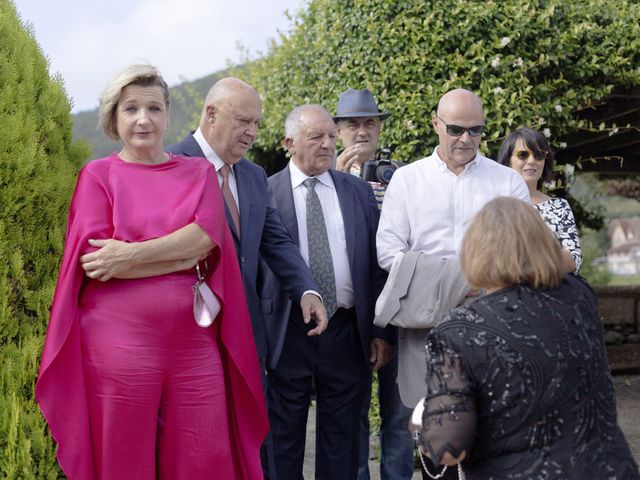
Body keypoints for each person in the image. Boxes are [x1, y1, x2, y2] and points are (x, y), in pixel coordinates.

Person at [35, 64, 267, 479]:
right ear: (113, 118)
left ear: (167, 115)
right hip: (118, 347)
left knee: (205, 451)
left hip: (195, 346)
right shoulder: (98, 175)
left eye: (154, 108)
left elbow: (204, 241)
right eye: (131, 109)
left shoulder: (196, 172)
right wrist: (177, 257)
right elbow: (97, 263)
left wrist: (129, 254)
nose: (144, 119)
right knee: (124, 455)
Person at [166, 77, 327, 478]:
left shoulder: (253, 176)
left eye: (256, 123)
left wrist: (306, 289)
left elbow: (277, 242)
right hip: (190, 337)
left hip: (248, 339)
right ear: (211, 114)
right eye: (243, 121)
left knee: (253, 443)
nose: (252, 133)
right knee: (200, 446)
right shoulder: (170, 164)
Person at [416, 197, 640, 479]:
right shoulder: (579, 297)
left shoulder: (457, 331)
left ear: (476, 252)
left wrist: (421, 420)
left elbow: (447, 448)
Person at [376, 88, 530, 479]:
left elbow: (520, 249)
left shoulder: (507, 182)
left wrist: (482, 284)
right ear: (435, 124)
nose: (466, 139)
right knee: (428, 430)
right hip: (426, 327)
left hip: (490, 325)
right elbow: (388, 250)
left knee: (491, 425)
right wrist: (454, 284)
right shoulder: (408, 181)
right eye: (457, 129)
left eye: (476, 131)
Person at [262, 104, 393, 479]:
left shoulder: (357, 192)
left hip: (346, 332)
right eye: (315, 136)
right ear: (289, 143)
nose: (327, 144)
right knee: (282, 442)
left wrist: (381, 331)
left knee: (342, 444)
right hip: (288, 333)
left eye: (330, 136)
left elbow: (375, 263)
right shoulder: (265, 192)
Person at [334, 88, 414, 480]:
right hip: (350, 318)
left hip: (397, 315)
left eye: (370, 123)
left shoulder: (399, 179)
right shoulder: (324, 181)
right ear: (338, 131)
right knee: (353, 416)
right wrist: (336, 176)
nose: (362, 131)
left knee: (398, 418)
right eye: (353, 124)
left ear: (379, 128)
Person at [497, 127, 582, 273]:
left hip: (550, 293)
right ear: (507, 160)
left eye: (538, 155)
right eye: (523, 155)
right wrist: (549, 255)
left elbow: (574, 261)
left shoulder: (559, 206)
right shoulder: (493, 205)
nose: (531, 161)